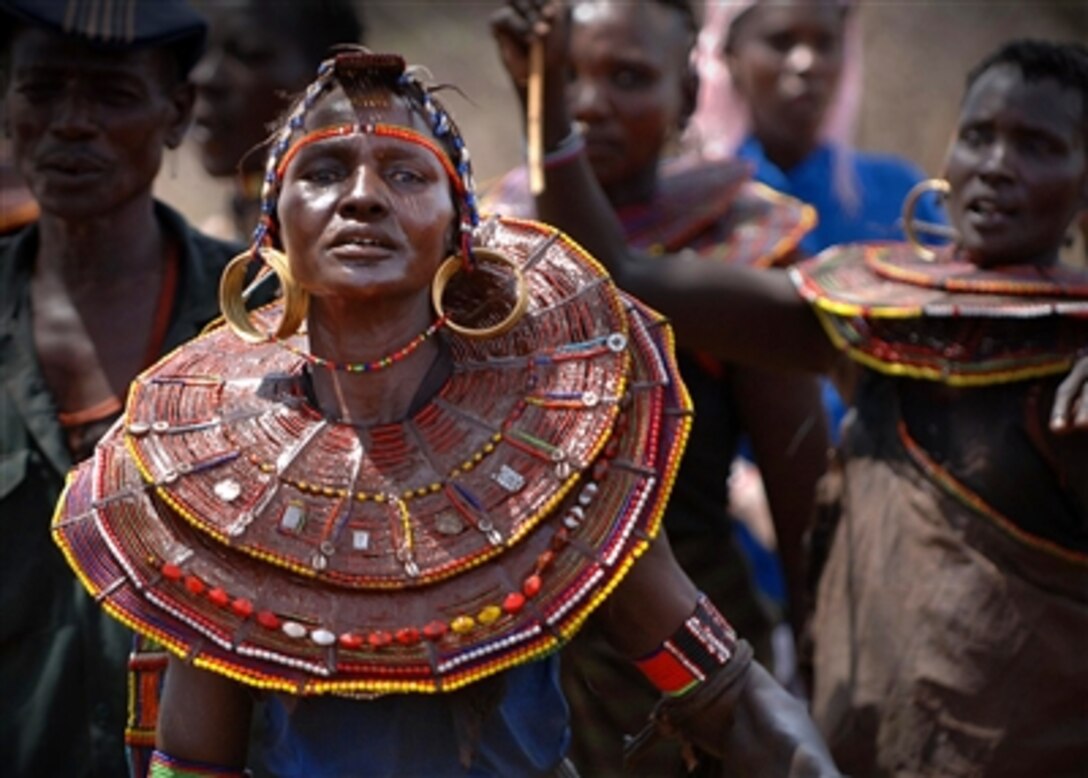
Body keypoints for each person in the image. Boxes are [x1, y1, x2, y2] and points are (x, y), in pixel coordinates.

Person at [51, 47, 841, 777]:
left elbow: (726, 698)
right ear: (273, 227)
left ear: (460, 232)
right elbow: (193, 765)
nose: (362, 198)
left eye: (404, 174)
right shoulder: (214, 485)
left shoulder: (555, 455)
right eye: (325, 171)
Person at [495, 11, 1088, 774]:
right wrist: (542, 102)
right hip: (867, 724)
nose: (998, 165)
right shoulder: (874, 312)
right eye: (980, 136)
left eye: (1039, 147)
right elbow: (621, 274)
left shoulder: (1074, 353)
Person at [487, 1, 829, 774]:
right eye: (565, 76)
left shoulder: (741, 246)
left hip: (687, 662)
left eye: (628, 77)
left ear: (686, 93)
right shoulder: (486, 242)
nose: (587, 103)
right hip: (518, 664)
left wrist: (820, 680)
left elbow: (800, 494)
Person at [0, 1, 247, 776]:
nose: (72, 123)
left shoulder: (261, 328)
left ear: (177, 114)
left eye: (112, 95)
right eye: (41, 90)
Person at [190, 0, 366, 242]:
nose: (206, 78)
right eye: (198, 51)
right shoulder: (204, 251)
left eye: (249, 55)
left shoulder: (370, 245)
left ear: (333, 78)